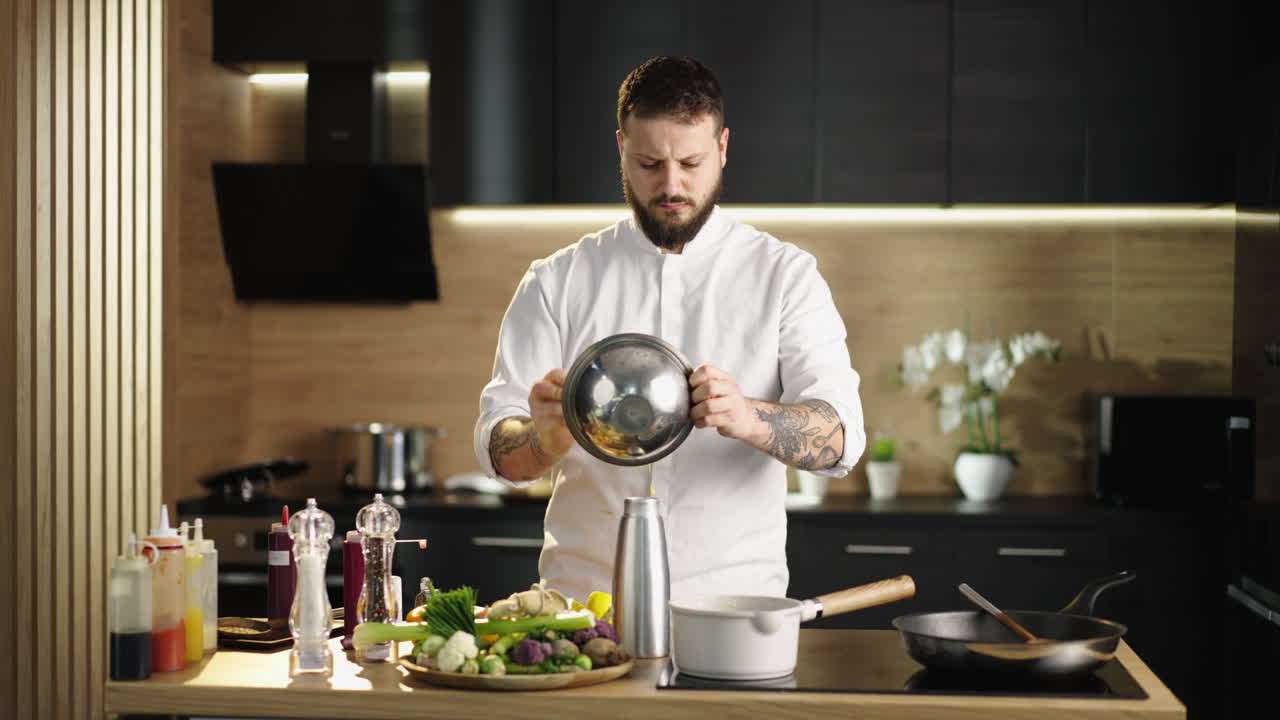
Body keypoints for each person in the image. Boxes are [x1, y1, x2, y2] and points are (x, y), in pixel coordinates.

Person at [473, 56, 865, 605]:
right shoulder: (557, 280)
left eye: (691, 162)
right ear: (621, 150)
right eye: (650, 163)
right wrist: (545, 438)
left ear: (723, 147)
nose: (672, 184)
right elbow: (499, 450)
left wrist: (750, 418)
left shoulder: (785, 276)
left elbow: (841, 438)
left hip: (735, 611)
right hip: (583, 612)